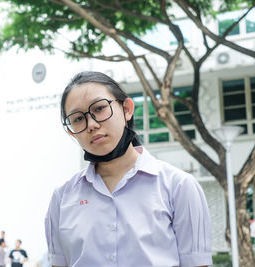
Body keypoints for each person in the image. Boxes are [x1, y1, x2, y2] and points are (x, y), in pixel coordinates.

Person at [45, 71, 212, 267]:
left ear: (127, 109)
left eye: (99, 108)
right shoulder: (62, 198)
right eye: (78, 119)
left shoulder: (179, 186)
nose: (91, 124)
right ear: (72, 132)